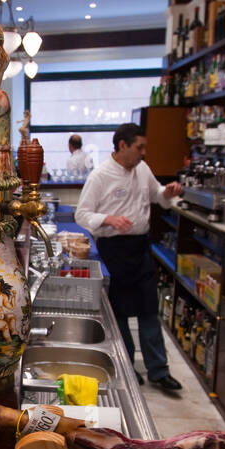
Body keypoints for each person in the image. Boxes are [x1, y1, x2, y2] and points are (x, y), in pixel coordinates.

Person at [76, 122, 184, 390]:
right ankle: (127, 367)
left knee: (149, 310)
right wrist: (109, 219)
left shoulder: (142, 169)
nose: (143, 153)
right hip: (115, 251)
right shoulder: (100, 176)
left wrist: (166, 194)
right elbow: (82, 214)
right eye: (140, 147)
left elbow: (157, 196)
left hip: (141, 247)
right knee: (121, 313)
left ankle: (159, 370)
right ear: (122, 145)